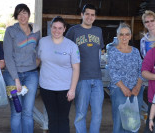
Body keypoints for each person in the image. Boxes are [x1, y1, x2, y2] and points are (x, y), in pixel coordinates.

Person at [64, 4, 104, 133]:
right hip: (81, 78)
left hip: (97, 78)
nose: (89, 17)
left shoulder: (98, 31)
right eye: (87, 14)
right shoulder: (74, 31)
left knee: (97, 114)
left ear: (95, 17)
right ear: (82, 14)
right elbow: (65, 49)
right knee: (81, 113)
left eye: (92, 15)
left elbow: (100, 51)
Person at [2, 3, 41, 133]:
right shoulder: (11, 31)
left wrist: (37, 63)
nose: (22, 16)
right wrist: (16, 79)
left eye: (24, 12)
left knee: (28, 112)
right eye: (19, 13)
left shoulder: (36, 31)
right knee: (17, 111)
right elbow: (8, 57)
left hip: (31, 75)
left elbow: (40, 50)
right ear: (16, 16)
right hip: (12, 75)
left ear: (29, 14)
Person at [38, 16, 79, 133]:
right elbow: (37, 60)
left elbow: (76, 69)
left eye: (60, 28)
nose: (57, 30)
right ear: (51, 28)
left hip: (65, 89)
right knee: (52, 119)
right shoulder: (42, 42)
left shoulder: (71, 46)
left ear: (64, 29)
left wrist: (72, 89)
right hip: (47, 88)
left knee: (63, 119)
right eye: (54, 27)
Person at [107, 23, 144, 133]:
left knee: (132, 122)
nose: (124, 37)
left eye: (127, 34)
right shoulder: (112, 51)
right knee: (119, 120)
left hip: (136, 90)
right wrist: (123, 88)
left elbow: (141, 69)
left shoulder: (135, 51)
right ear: (117, 36)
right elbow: (112, 72)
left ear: (130, 36)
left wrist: (137, 87)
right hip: (119, 90)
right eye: (121, 34)